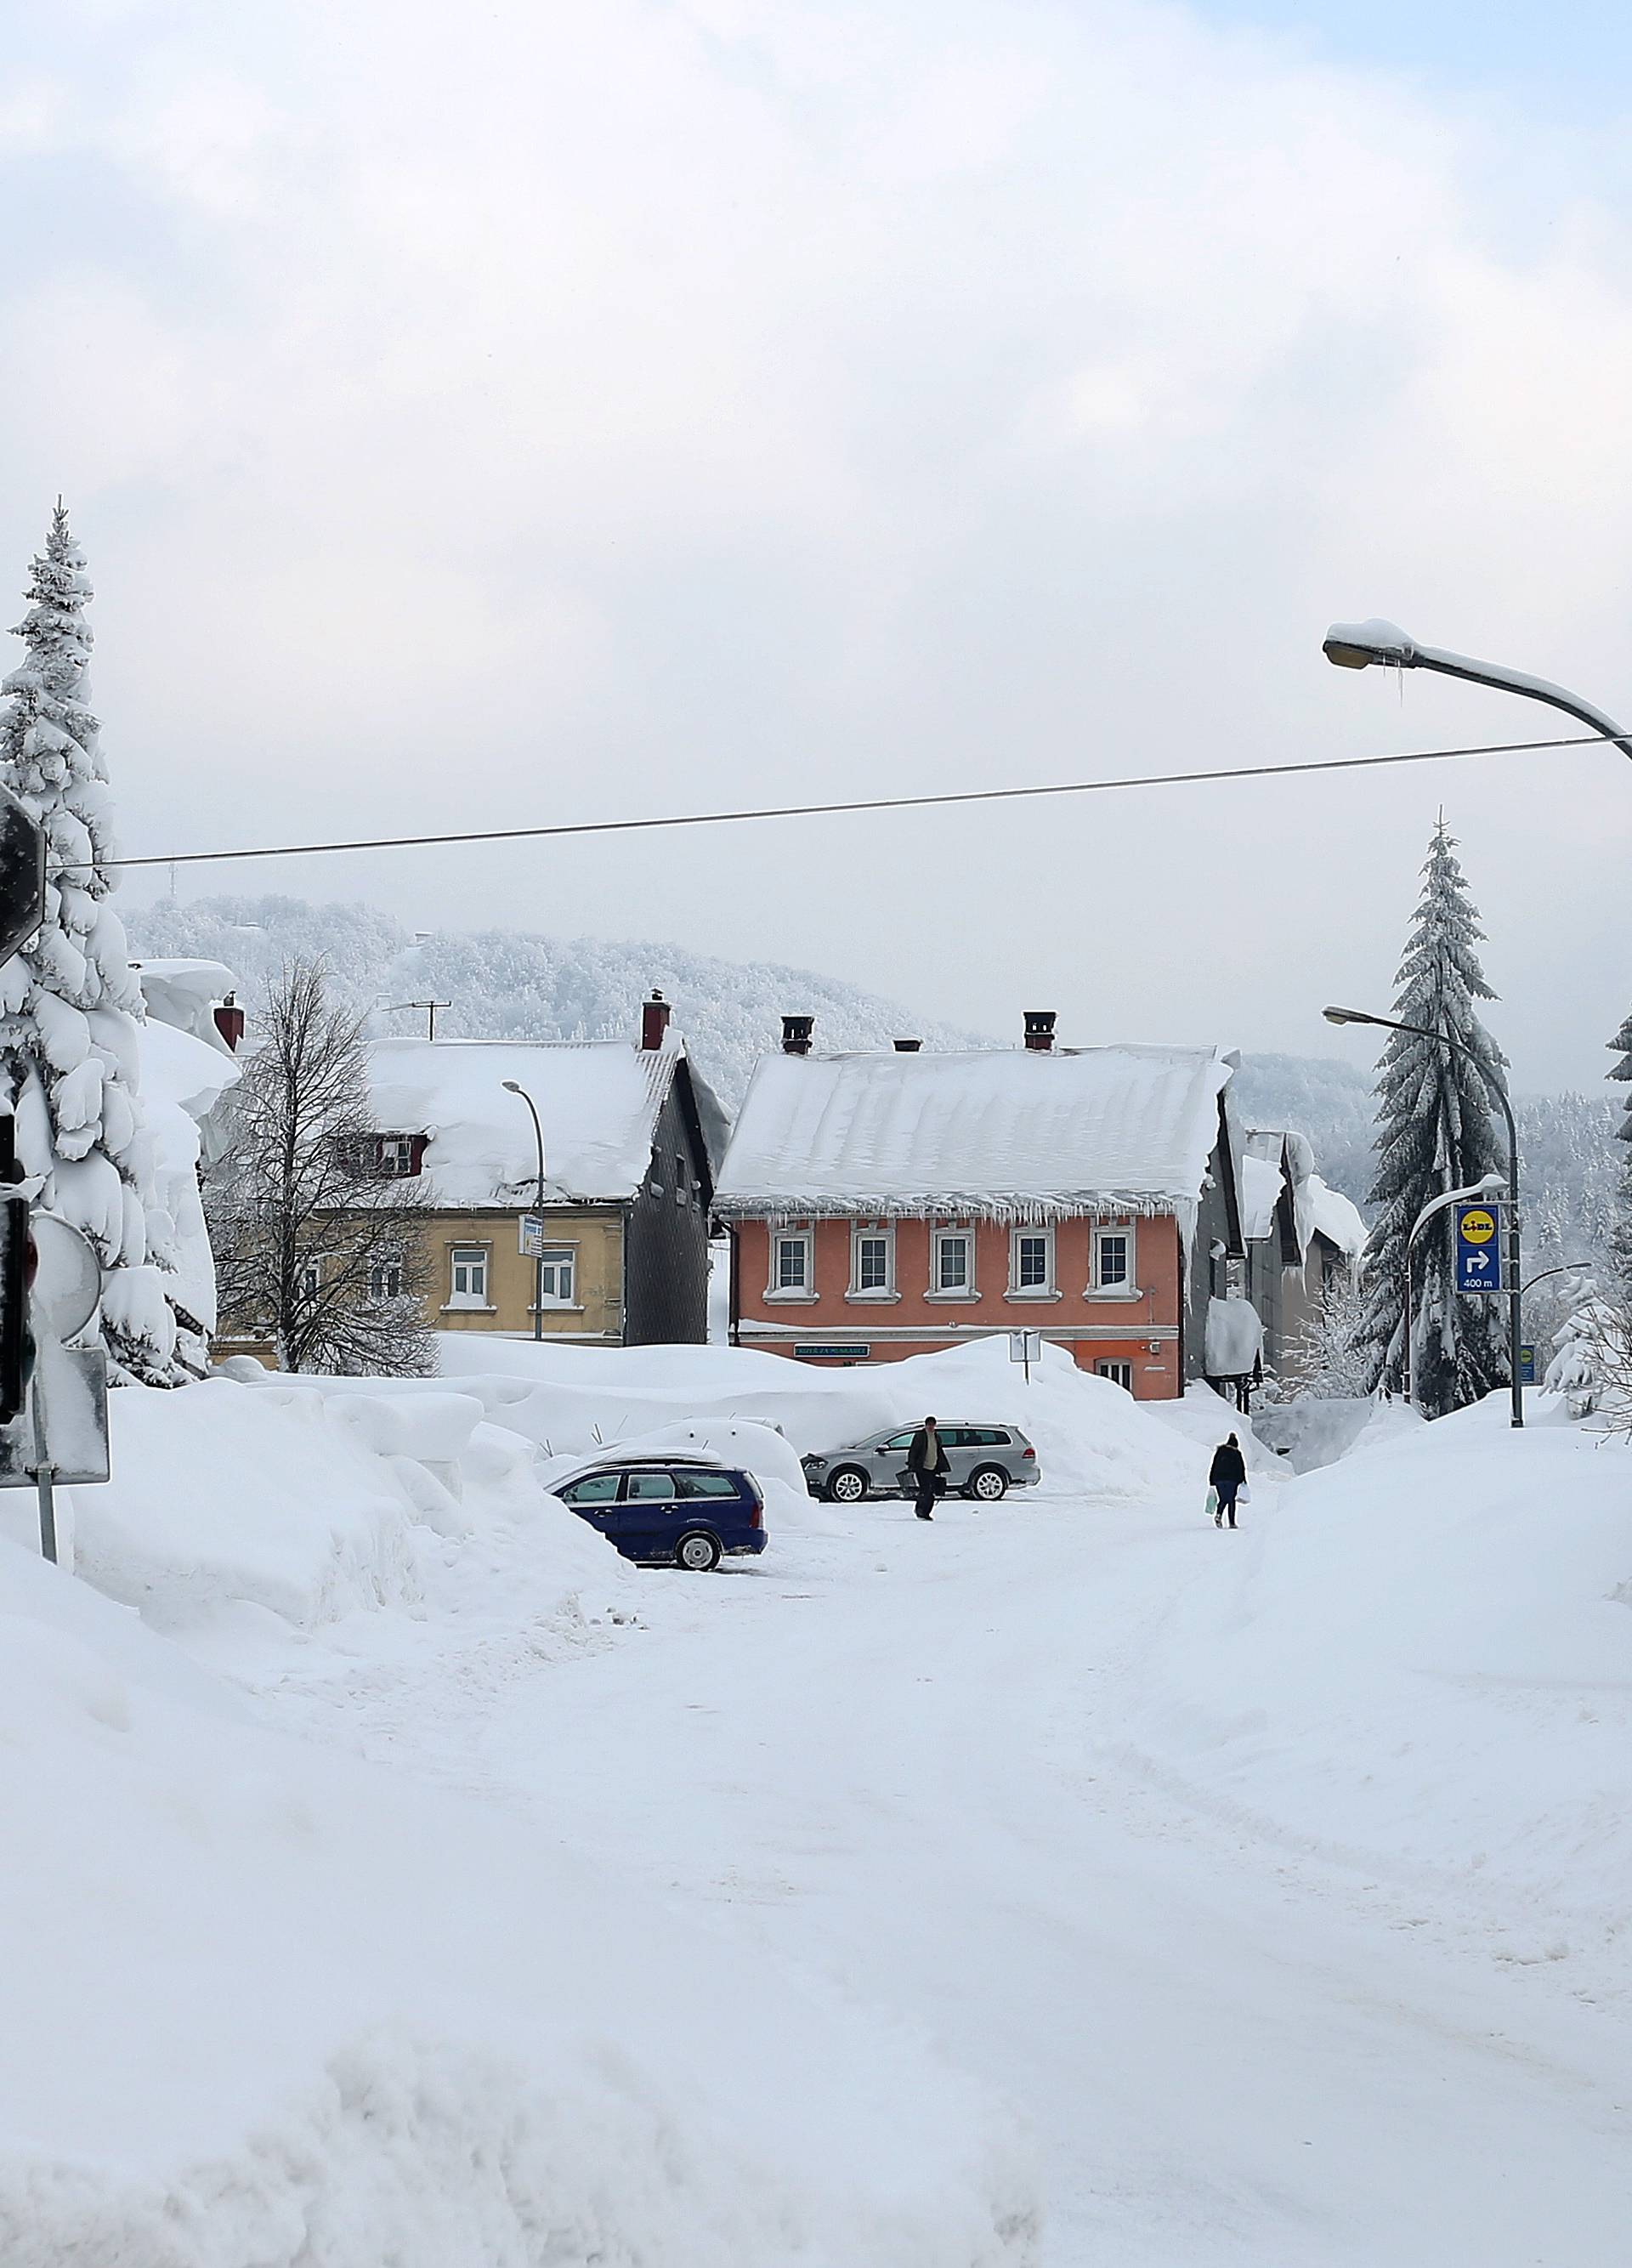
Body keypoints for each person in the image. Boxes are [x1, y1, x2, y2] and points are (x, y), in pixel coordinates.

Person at [906, 1416, 949, 1520]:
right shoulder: (920, 1436)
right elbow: (914, 1451)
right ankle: (921, 1512)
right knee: (925, 1490)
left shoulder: (937, 1437)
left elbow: (938, 1452)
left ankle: (926, 1512)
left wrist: (941, 1466)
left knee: (932, 1492)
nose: (931, 1427)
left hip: (933, 1468)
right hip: (922, 1468)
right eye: (929, 1425)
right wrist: (912, 1465)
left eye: (932, 1425)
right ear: (925, 1425)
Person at [1209, 1432, 1247, 1528]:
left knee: (1223, 1499)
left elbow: (1214, 1465)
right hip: (1232, 1480)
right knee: (1231, 1500)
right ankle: (1232, 1522)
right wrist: (1243, 1480)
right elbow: (1241, 1468)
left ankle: (1219, 1515)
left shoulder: (1220, 1452)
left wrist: (1211, 1480)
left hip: (1218, 1480)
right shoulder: (1236, 1453)